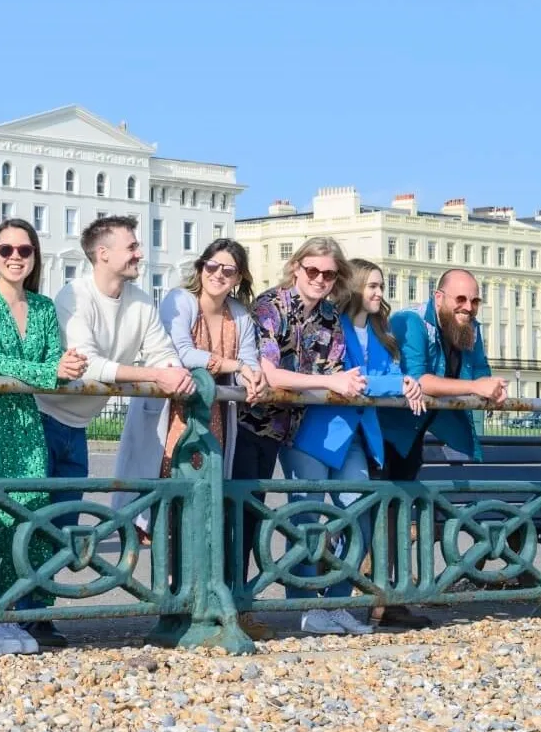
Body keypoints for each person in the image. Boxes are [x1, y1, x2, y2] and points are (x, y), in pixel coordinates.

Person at [36, 215, 189, 648]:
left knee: (62, 521)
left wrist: (177, 373)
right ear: (103, 254)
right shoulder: (74, 296)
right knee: (32, 517)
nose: (140, 253)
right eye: (132, 247)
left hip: (79, 424)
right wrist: (156, 373)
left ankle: (39, 613)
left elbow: (163, 352)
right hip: (43, 417)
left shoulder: (140, 301)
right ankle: (19, 613)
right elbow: (87, 365)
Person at [0, 219, 87, 656]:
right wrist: (52, 372)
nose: (15, 257)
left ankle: (12, 614)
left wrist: (59, 368)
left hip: (28, 422)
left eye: (24, 250)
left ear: (35, 258)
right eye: (6, 249)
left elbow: (53, 356)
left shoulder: (45, 307)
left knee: (29, 515)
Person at [237, 237, 366, 640]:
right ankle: (236, 609)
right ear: (296, 268)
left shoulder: (331, 318)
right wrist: (330, 381)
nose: (320, 279)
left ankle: (318, 605)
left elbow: (337, 377)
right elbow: (272, 374)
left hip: (295, 428)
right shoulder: (269, 307)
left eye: (329, 273)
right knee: (242, 515)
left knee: (304, 514)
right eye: (313, 270)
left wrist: (333, 382)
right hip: (249, 425)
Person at [286, 259, 424, 635]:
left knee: (359, 519)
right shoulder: (335, 326)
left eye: (382, 287)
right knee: (307, 521)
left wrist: (407, 382)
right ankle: (302, 607)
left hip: (357, 440)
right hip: (315, 436)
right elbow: (357, 381)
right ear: (356, 288)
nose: (379, 293)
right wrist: (398, 384)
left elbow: (386, 376)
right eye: (373, 286)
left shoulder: (376, 334)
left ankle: (340, 601)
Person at [372, 267, 507, 629]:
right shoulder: (409, 322)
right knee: (379, 512)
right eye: (461, 299)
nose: (468, 306)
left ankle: (393, 602)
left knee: (399, 514)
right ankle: (368, 591)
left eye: (475, 300)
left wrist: (492, 387)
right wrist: (478, 387)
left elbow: (481, 374)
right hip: (382, 432)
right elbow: (418, 379)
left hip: (414, 433)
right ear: (439, 298)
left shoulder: (470, 330)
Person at [113, 239, 268, 539]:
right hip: (171, 416)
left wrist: (254, 377)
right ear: (200, 268)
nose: (218, 275)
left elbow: (249, 362)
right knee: (162, 500)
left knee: (201, 508)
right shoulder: (180, 299)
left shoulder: (239, 316)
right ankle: (167, 581)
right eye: (211, 266)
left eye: (228, 270)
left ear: (238, 278)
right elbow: (180, 352)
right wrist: (235, 366)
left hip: (214, 421)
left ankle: (188, 579)